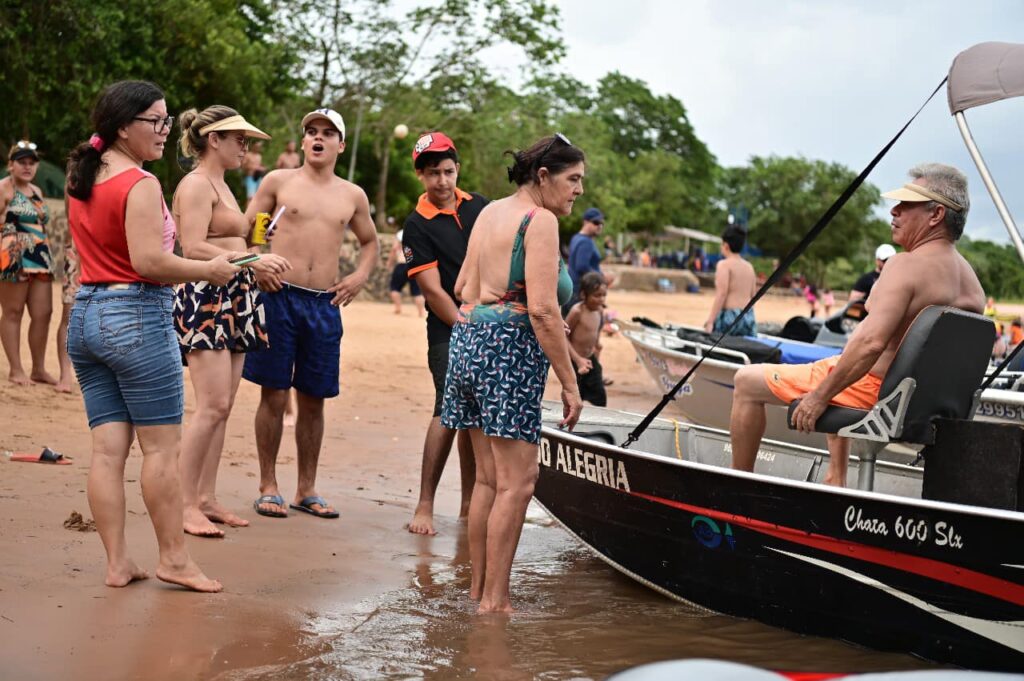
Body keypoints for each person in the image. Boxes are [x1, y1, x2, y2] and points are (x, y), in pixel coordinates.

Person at [65, 79, 241, 592]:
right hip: (136, 315)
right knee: (161, 450)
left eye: (166, 121)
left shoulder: (86, 173)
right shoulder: (138, 183)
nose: (166, 131)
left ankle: (119, 563)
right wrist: (209, 270)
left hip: (88, 316)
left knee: (106, 452)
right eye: (156, 121)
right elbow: (148, 262)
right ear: (124, 127)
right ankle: (175, 560)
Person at [729, 163, 985, 487]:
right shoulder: (972, 284)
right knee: (838, 365)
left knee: (746, 381)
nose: (894, 211)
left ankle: (735, 486)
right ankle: (836, 476)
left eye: (906, 204)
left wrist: (818, 398)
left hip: (877, 394)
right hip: (923, 403)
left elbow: (870, 345)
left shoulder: (905, 265)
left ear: (936, 215)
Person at [443, 133, 583, 613]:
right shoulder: (538, 220)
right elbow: (543, 312)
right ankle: (496, 603)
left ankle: (480, 592)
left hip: (468, 342)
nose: (579, 190)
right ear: (543, 177)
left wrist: (515, 304)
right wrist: (570, 381)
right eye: (573, 179)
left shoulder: (488, 212)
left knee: (487, 480)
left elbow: (463, 284)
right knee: (518, 483)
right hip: (509, 352)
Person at [243, 108, 379, 519]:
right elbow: (248, 230)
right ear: (302, 142)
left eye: (327, 133)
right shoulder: (279, 182)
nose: (318, 138)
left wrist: (358, 277)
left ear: (341, 144)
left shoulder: (352, 194)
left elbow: (370, 242)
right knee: (274, 392)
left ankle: (307, 488)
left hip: (323, 304)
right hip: (278, 295)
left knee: (315, 398)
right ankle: (268, 484)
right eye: (311, 132)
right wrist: (256, 263)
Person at [172, 105, 292, 537]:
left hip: (237, 295)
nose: (245, 146)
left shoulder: (223, 183)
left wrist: (255, 248)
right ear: (213, 140)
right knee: (211, 406)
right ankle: (183, 504)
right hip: (206, 295)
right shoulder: (195, 184)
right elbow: (190, 248)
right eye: (238, 138)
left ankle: (205, 497)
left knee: (223, 409)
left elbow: (228, 240)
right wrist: (253, 257)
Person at [402, 131, 488, 535]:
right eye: (433, 173)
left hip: (489, 324)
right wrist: (463, 326)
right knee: (447, 410)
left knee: (476, 419)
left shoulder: (481, 208)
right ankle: (424, 505)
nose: (442, 181)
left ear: (458, 170)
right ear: (420, 175)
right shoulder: (416, 225)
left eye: (448, 172)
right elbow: (433, 291)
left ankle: (470, 504)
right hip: (447, 330)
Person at [0, 141, 55, 386]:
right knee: (13, 312)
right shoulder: (3, 188)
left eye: (32, 162)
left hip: (39, 255)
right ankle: (15, 369)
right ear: (10, 165)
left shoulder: (37, 191)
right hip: (12, 253)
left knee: (43, 313)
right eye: (22, 162)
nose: (27, 166)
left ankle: (39, 368)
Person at [703, 225, 757, 337]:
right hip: (748, 316)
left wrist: (710, 321)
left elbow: (722, 294)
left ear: (726, 245)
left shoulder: (724, 265)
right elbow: (753, 295)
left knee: (719, 348)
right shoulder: (749, 267)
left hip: (730, 317)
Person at [567, 271, 608, 407]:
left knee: (600, 396)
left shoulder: (600, 310)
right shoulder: (577, 311)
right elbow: (563, 336)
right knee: (573, 396)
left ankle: (599, 422)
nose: (601, 299)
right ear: (584, 294)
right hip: (575, 362)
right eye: (597, 295)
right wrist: (578, 360)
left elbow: (596, 330)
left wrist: (597, 346)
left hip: (590, 360)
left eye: (604, 295)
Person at [567, 207, 615, 310]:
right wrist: (603, 277)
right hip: (581, 292)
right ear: (586, 222)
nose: (600, 226)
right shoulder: (586, 242)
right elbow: (582, 267)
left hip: (574, 291)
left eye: (601, 223)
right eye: (596, 222)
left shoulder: (576, 237)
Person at [55, 225, 81, 393]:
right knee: (69, 314)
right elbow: (73, 212)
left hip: (107, 244)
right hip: (78, 244)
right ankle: (65, 374)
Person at [387, 229, 424, 316]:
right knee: (417, 291)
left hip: (402, 264)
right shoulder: (419, 232)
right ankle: (421, 312)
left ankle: (398, 308)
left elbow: (394, 248)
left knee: (395, 287)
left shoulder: (401, 233)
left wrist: (389, 262)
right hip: (413, 265)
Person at [242, 140, 266, 206]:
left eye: (259, 147)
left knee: (259, 197)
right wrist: (253, 167)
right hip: (250, 177)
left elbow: (259, 165)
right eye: (257, 146)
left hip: (258, 177)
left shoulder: (259, 156)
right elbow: (243, 166)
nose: (258, 148)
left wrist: (262, 168)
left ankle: (256, 214)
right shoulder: (248, 155)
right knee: (250, 197)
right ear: (253, 146)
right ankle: (247, 215)